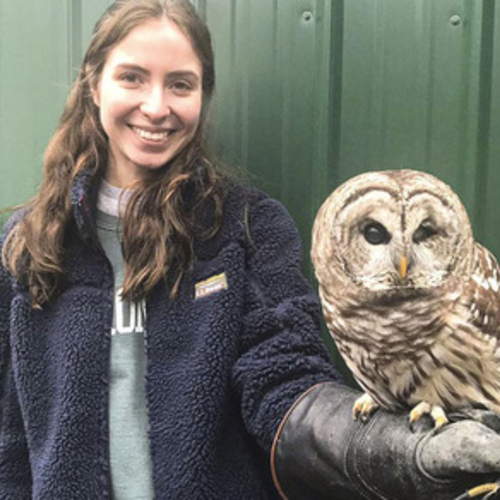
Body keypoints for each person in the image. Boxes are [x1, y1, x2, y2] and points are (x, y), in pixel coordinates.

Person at [1, 1, 500, 498]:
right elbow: (9, 433)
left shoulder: (246, 226)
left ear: (203, 95)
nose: (156, 106)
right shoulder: (25, 243)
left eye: (180, 84)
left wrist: (379, 448)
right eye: (132, 77)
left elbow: (285, 377)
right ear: (94, 84)